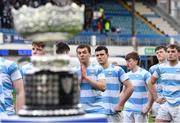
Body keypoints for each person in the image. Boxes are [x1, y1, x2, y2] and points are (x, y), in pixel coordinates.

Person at [95, 46, 133, 122]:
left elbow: (130, 87)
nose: (99, 57)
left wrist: (121, 104)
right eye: (97, 55)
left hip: (113, 113)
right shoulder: (93, 71)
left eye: (102, 54)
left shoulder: (117, 70)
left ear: (107, 55)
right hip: (98, 112)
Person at [147, 44, 180, 123]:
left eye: (173, 51)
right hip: (165, 103)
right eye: (168, 52)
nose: (170, 53)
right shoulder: (160, 68)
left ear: (179, 53)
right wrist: (156, 98)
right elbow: (150, 83)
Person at [73, 44, 106, 113]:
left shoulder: (98, 69)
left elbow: (103, 87)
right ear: (77, 55)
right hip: (79, 111)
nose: (82, 55)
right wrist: (81, 78)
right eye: (79, 53)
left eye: (84, 52)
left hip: (97, 110)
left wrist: (86, 77)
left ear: (89, 54)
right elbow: (70, 90)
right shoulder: (73, 71)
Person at [123, 51, 153, 123]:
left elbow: (152, 90)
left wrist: (148, 106)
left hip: (141, 110)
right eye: (126, 61)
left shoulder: (145, 74)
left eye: (129, 61)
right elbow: (123, 92)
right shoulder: (126, 75)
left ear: (136, 61)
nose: (127, 64)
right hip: (127, 109)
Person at [149, 45, 167, 118]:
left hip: (171, 99)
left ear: (166, 53)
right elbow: (149, 87)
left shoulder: (175, 66)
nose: (159, 54)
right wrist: (149, 104)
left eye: (161, 52)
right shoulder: (152, 69)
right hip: (158, 100)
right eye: (157, 53)